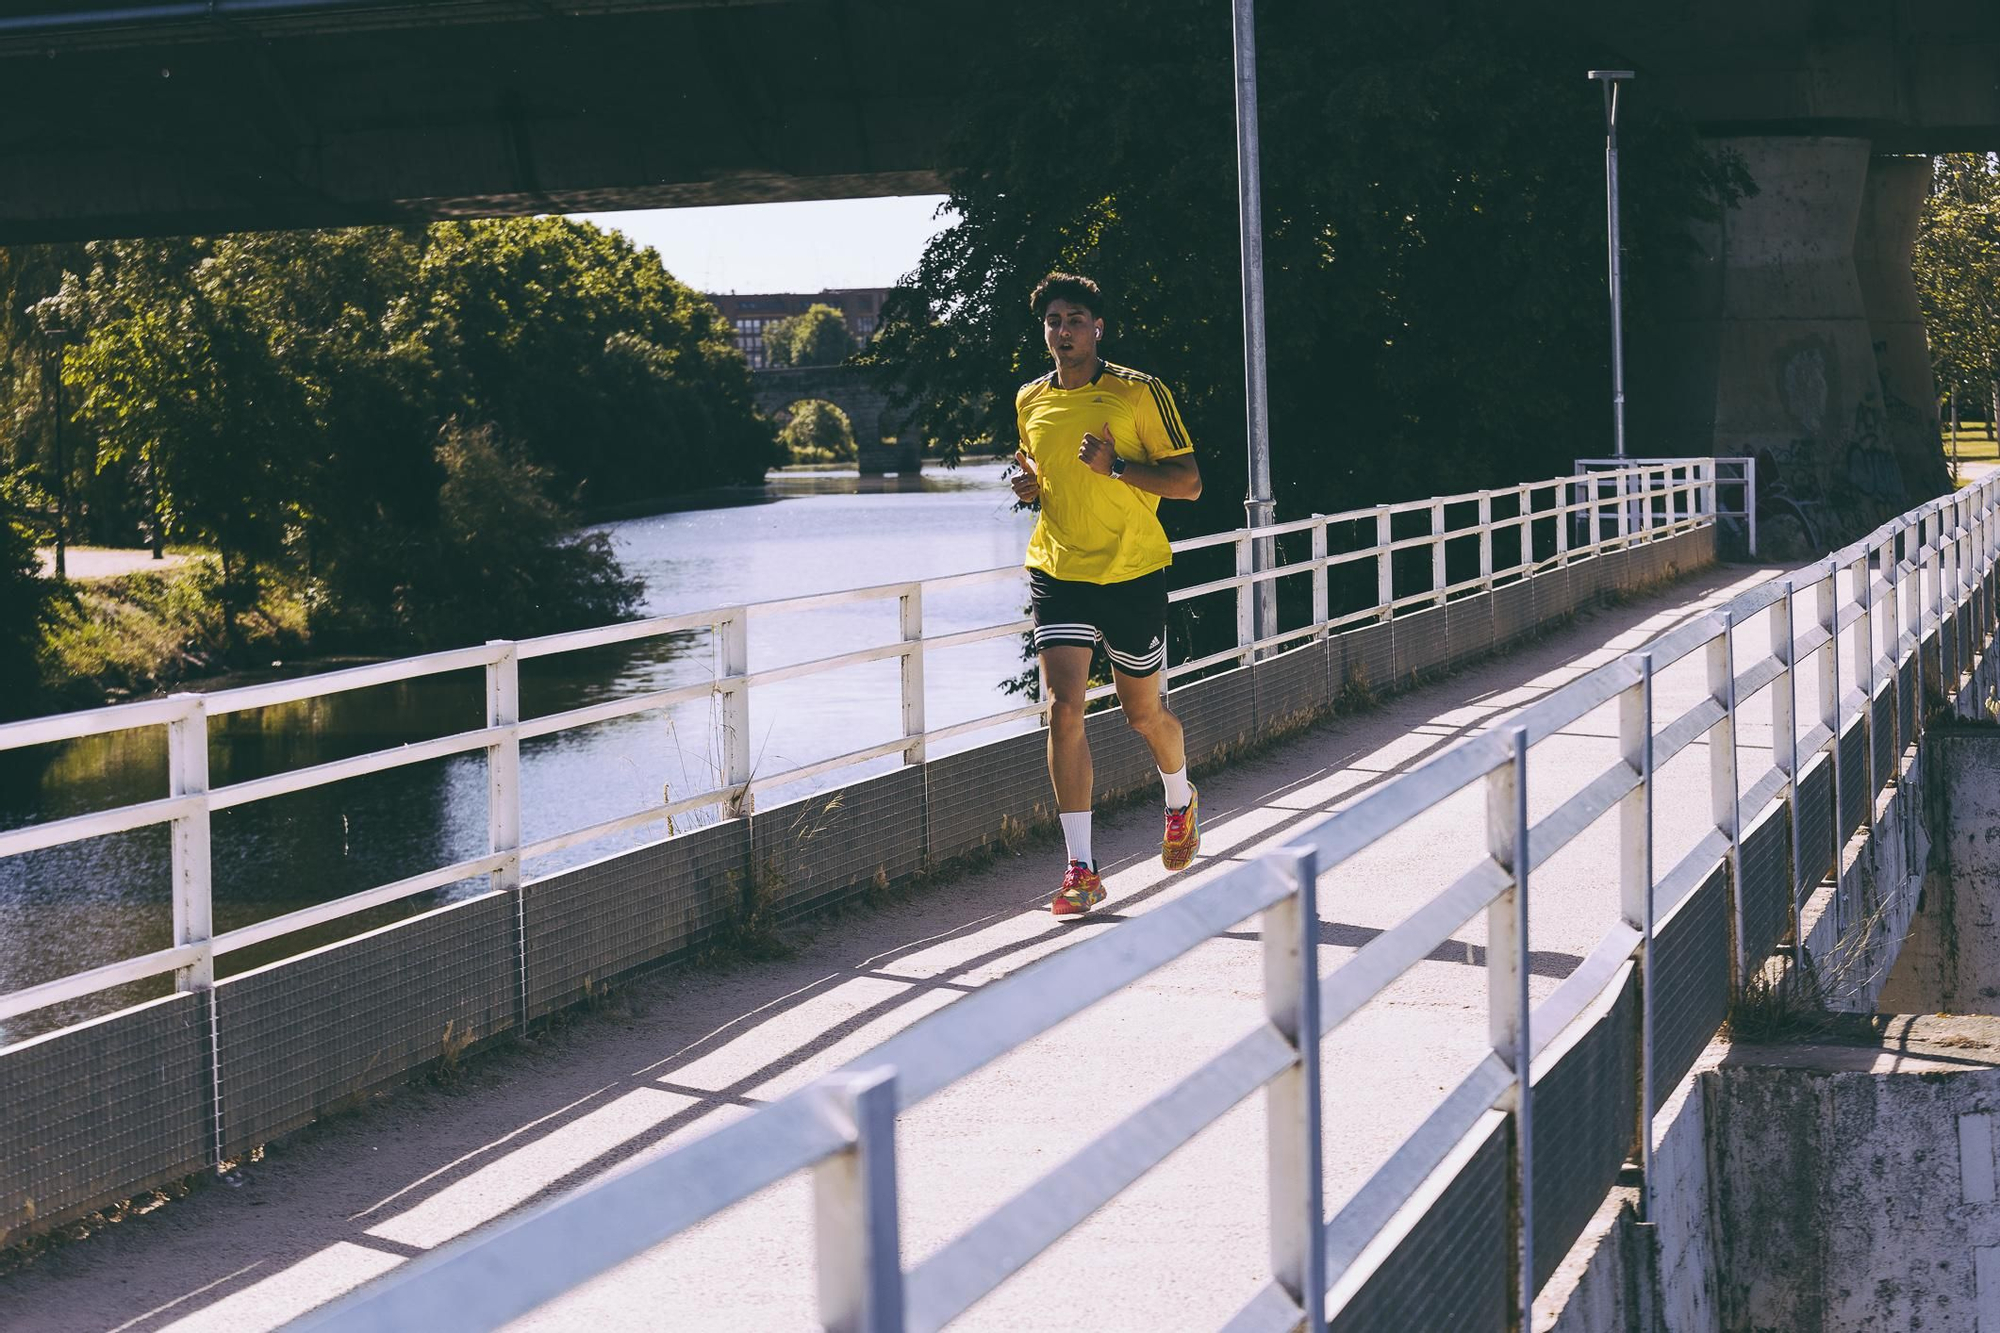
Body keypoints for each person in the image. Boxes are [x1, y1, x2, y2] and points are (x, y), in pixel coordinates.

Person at [1009, 272, 1204, 919]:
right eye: (1053, 321)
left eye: (1074, 320)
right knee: (1065, 708)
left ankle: (1179, 800)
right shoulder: (1030, 399)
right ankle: (1081, 868)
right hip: (1059, 570)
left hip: (1130, 572)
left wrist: (1118, 467)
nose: (1062, 331)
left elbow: (1190, 483)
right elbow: (1042, 472)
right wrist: (1032, 488)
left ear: (1098, 328)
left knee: (1142, 714)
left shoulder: (1139, 393)